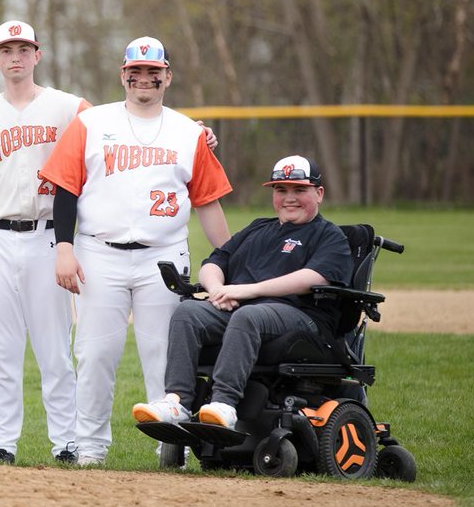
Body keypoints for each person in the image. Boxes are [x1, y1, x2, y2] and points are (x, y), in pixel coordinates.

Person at [38, 35, 233, 466]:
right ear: (123, 75)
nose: (144, 78)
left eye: (153, 72)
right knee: (95, 353)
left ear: (168, 77)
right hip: (98, 252)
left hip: (163, 256)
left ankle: (172, 447)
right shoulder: (91, 123)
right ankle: (90, 447)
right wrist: (64, 247)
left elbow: (207, 201)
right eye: (136, 71)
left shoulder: (189, 132)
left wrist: (233, 258)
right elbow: (66, 190)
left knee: (164, 355)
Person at [0, 20, 87, 466]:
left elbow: (119, 127)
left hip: (49, 238)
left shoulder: (69, 107)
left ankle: (66, 442)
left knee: (54, 348)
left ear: (37, 55)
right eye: (7, 50)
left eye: (24, 49)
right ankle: (4, 442)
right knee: (2, 349)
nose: (16, 57)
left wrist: (190, 131)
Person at [132, 155, 353, 429]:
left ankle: (223, 404)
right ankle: (177, 402)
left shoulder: (329, 236)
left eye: (299, 190)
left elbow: (312, 278)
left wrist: (246, 291)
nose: (289, 198)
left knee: (249, 316)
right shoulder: (257, 228)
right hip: (242, 309)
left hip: (300, 315)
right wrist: (217, 290)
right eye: (281, 190)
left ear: (319, 193)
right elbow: (213, 263)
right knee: (188, 312)